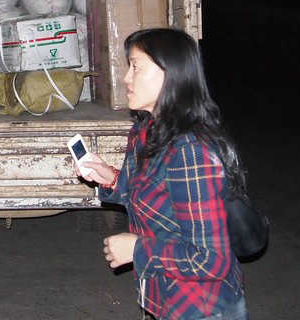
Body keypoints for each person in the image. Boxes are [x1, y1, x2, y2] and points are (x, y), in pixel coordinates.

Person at [80, 28, 248, 320]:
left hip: (202, 307)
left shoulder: (190, 151)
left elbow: (211, 260)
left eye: (136, 67)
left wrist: (138, 249)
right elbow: (151, 196)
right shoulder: (147, 130)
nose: (126, 78)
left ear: (171, 75)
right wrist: (111, 179)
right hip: (166, 297)